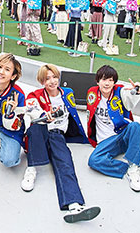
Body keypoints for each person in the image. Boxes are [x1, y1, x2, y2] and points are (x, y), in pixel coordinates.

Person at [22, 64, 101, 223]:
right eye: (47, 79)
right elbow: (31, 110)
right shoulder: (35, 95)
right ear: (42, 81)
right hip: (41, 132)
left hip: (58, 135)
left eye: (54, 77)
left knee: (65, 163)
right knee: (37, 127)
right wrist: (44, 115)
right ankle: (32, 168)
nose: (52, 81)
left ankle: (74, 205)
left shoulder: (67, 93)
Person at [86, 65, 140, 192]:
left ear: (114, 82)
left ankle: (134, 169)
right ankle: (132, 166)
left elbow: (130, 98)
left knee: (135, 126)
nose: (107, 83)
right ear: (97, 81)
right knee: (94, 161)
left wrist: (137, 91)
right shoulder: (92, 92)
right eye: (103, 79)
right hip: (105, 141)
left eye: (111, 80)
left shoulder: (121, 91)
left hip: (122, 136)